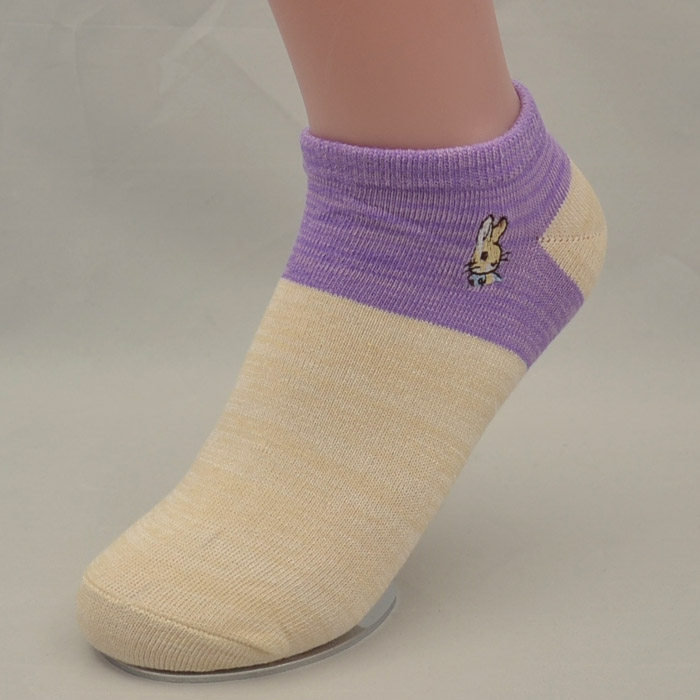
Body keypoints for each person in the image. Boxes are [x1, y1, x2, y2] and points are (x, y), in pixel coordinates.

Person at [76, 0, 607, 674]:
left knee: (450, 214)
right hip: (488, 242)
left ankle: (465, 208)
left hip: (488, 240)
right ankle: (455, 211)